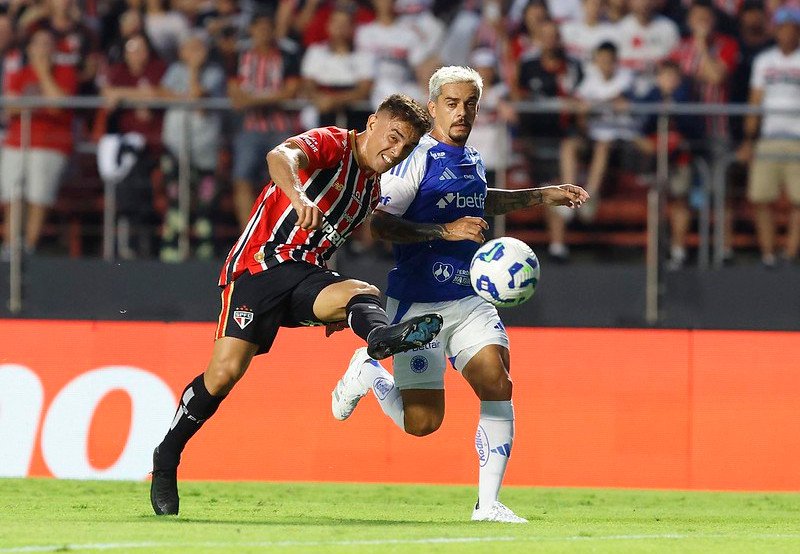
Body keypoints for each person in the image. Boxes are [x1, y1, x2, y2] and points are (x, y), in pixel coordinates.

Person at [150, 93, 443, 516]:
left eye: (406, 147)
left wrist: (444, 230)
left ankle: (378, 339)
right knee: (223, 374)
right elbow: (279, 155)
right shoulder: (333, 142)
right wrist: (300, 197)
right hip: (259, 268)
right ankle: (166, 459)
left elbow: (384, 227)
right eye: (392, 137)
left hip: (306, 277)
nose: (395, 151)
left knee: (362, 293)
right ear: (373, 121)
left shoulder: (371, 188)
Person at [330, 66, 589, 523]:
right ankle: (368, 373)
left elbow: (478, 199)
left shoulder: (470, 158)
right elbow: (382, 224)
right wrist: (444, 230)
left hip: (468, 298)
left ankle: (487, 504)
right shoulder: (413, 158)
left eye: (470, 103)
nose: (462, 111)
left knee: (497, 380)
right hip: (416, 304)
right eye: (451, 103)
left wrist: (539, 196)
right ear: (432, 107)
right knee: (423, 424)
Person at [1, 28, 77, 257]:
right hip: (18, 141)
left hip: (50, 143)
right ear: (30, 49)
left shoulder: (65, 73)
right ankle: (10, 248)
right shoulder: (20, 74)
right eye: (38, 44)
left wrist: (44, 74)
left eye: (47, 44)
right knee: (14, 194)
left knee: (38, 196)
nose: (43, 49)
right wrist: (40, 102)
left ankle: (28, 248)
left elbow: (58, 105)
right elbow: (10, 108)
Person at [738, 6, 800, 267]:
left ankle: (790, 253)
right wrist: (749, 140)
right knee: (761, 197)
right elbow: (756, 101)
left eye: (792, 28)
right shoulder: (764, 61)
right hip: (769, 135)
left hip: (798, 137)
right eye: (782, 28)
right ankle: (769, 254)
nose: (786, 33)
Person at [229, 11, 301, 230]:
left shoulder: (287, 57)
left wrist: (253, 98)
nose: (263, 33)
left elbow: (290, 92)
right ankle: (247, 233)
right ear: (251, 30)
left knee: (289, 180)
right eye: (259, 28)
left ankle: (286, 232)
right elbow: (235, 97)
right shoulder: (241, 57)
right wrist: (272, 97)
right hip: (250, 128)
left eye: (267, 28)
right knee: (242, 178)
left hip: (281, 128)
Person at [158, 31, 227, 261]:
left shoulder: (215, 73)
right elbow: (162, 94)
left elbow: (199, 101)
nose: (196, 53)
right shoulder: (174, 70)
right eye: (191, 48)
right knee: (177, 199)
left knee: (204, 204)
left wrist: (194, 71)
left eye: (200, 48)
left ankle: (203, 254)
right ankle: (172, 251)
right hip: (175, 146)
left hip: (205, 148)